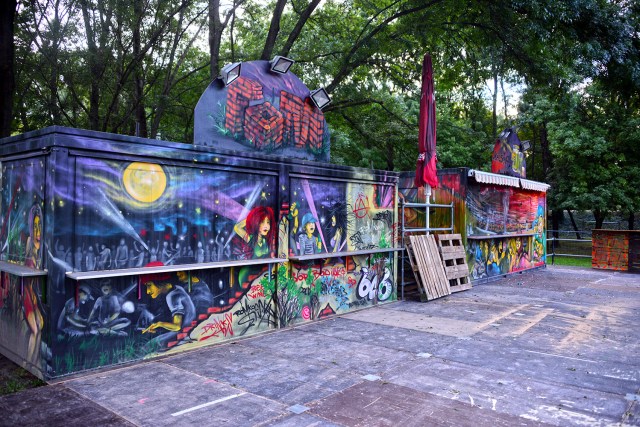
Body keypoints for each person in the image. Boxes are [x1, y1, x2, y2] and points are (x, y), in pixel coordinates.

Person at [141, 262, 196, 350]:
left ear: (159, 282)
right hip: (186, 327)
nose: (148, 291)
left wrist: (160, 324)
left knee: (146, 347)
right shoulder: (176, 288)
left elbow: (177, 326)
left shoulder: (172, 296)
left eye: (149, 285)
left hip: (184, 331)